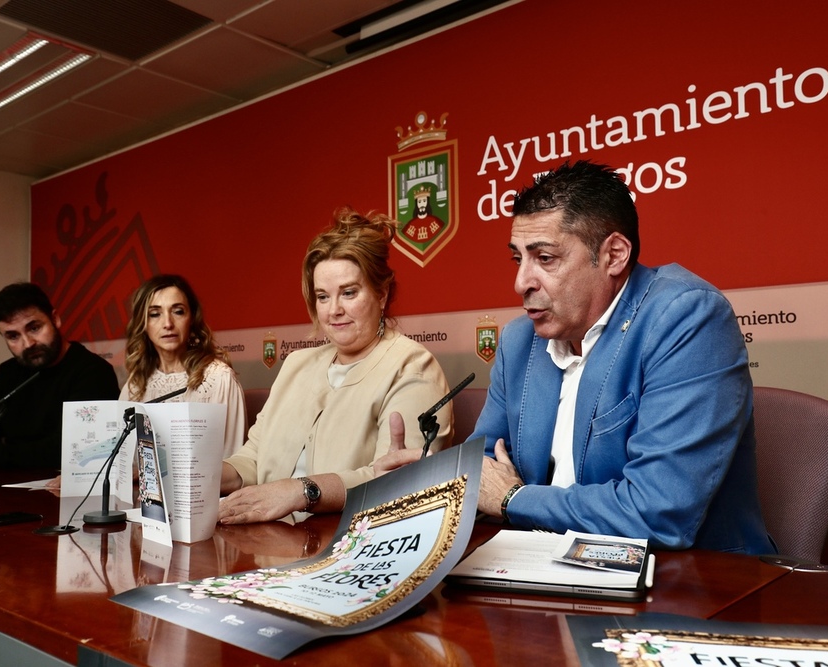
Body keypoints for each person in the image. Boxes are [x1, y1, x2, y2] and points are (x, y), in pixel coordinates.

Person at [380, 161, 772, 554]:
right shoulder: (519, 340)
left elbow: (658, 511)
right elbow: (486, 470)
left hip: (692, 587)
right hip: (539, 571)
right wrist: (442, 478)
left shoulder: (686, 318)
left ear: (614, 255)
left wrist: (514, 500)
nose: (521, 283)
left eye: (545, 258)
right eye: (519, 259)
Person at [218, 207, 453, 524]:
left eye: (349, 293)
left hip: (346, 548)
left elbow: (393, 481)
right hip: (264, 542)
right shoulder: (297, 364)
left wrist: (302, 490)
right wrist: (194, 473)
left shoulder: (413, 366)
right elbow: (252, 459)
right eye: (322, 297)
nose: (333, 310)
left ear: (381, 294)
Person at [0, 282, 120, 471]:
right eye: (13, 336)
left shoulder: (93, 371)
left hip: (64, 490)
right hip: (7, 488)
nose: (28, 343)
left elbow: (69, 451)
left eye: (34, 328)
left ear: (55, 319)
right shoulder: (8, 372)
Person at [121, 274, 246, 457]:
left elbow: (234, 462)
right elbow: (121, 462)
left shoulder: (220, 378)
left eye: (178, 311)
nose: (168, 324)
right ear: (143, 324)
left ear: (192, 318)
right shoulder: (135, 385)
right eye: (155, 314)